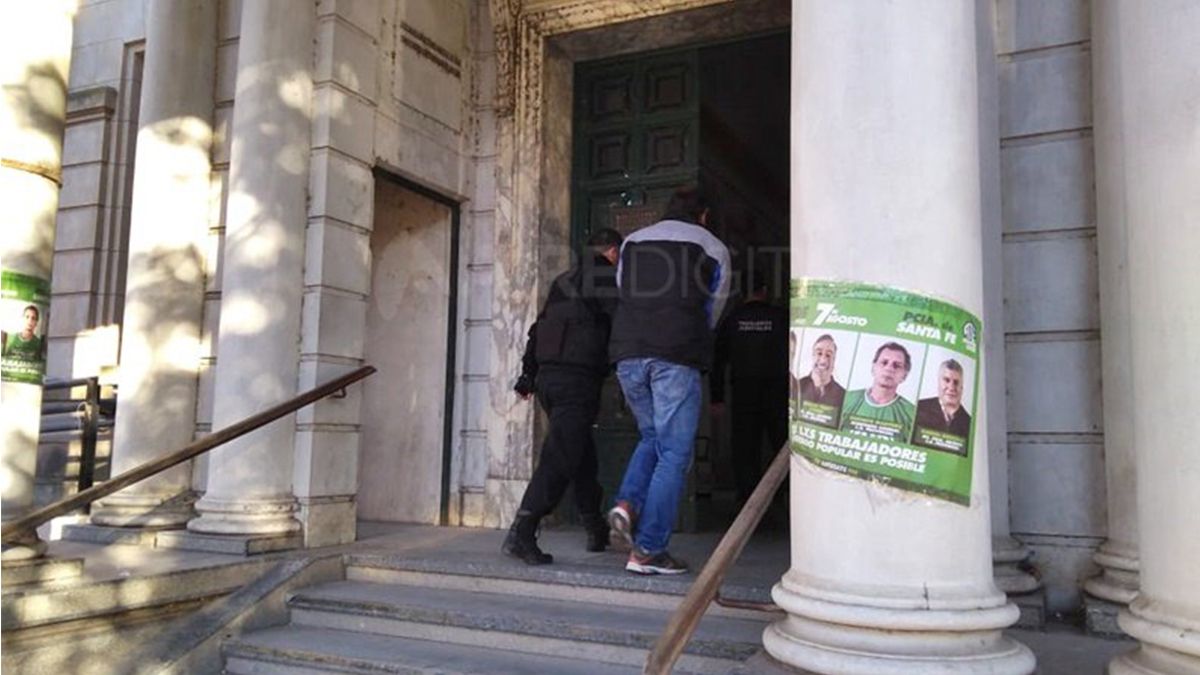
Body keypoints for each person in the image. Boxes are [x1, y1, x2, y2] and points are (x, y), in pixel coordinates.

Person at [606, 185, 731, 575]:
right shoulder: (713, 247)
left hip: (627, 354)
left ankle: (627, 503)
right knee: (675, 454)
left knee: (652, 438)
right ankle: (648, 551)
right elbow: (714, 309)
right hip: (674, 357)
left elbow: (624, 290)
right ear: (704, 215)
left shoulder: (632, 243)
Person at [502, 228, 624, 565]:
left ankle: (594, 526)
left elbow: (538, 330)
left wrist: (528, 375)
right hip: (576, 381)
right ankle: (523, 531)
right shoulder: (604, 276)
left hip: (548, 382)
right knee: (560, 455)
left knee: (580, 453)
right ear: (612, 252)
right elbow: (621, 323)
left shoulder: (563, 281)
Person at [710, 273, 788, 506]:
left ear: (743, 294)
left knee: (744, 446)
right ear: (764, 290)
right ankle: (782, 497)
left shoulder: (733, 320)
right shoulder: (781, 318)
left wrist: (717, 398)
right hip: (778, 391)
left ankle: (747, 498)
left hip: (743, 391)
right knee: (780, 444)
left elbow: (718, 361)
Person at [839, 341, 915, 443]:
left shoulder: (911, 414)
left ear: (904, 376)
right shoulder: (846, 399)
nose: (889, 368)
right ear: (873, 368)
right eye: (884, 362)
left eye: (897, 366)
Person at [912, 359, 972, 453]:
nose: (951, 387)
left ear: (962, 387)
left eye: (956, 382)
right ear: (938, 382)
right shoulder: (918, 408)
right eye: (947, 380)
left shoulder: (969, 423)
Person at [796, 334, 846, 429]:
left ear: (834, 360)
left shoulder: (844, 396)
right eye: (819, 353)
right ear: (812, 355)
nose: (823, 360)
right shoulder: (796, 386)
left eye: (828, 355)